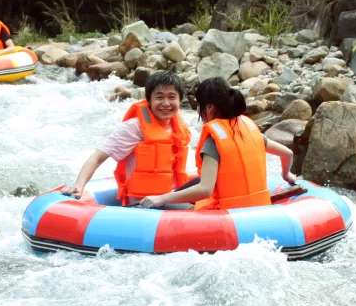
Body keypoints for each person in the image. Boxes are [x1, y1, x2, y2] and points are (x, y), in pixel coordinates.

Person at [138, 77, 296, 210]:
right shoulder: (249, 129)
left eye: (199, 106)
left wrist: (162, 199)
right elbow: (288, 153)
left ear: (209, 107)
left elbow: (205, 190)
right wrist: (286, 175)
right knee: (195, 181)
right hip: (259, 207)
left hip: (227, 215)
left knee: (167, 204)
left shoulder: (213, 141)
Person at [65, 71, 191, 205]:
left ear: (180, 100)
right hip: (142, 204)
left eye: (172, 97)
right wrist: (79, 185)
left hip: (169, 196)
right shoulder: (133, 127)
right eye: (159, 97)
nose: (166, 103)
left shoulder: (179, 126)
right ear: (149, 100)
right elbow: (97, 157)